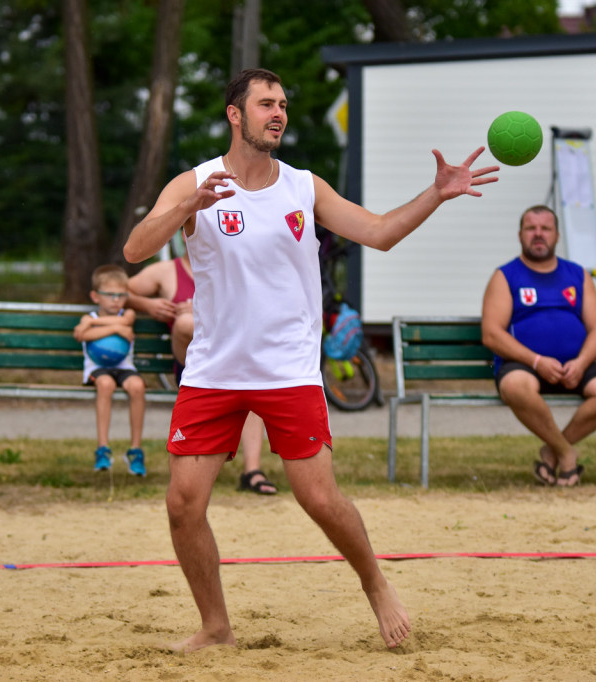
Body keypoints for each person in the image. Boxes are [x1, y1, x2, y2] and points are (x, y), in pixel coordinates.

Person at [122, 67, 498, 652]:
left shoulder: (303, 186)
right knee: (181, 505)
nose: (278, 113)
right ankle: (216, 627)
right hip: (214, 372)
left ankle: (375, 584)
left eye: (283, 104)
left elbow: (378, 232)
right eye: (266, 103)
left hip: (289, 370)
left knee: (319, 498)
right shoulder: (196, 182)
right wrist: (185, 208)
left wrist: (436, 194)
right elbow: (134, 250)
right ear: (235, 114)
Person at [481, 205, 596, 487]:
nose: (538, 235)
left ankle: (551, 451)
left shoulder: (577, 275)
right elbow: (491, 334)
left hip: (574, 365)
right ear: (520, 235)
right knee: (515, 386)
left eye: (545, 228)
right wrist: (537, 361)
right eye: (531, 228)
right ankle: (565, 452)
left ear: (557, 235)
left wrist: (582, 362)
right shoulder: (505, 276)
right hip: (525, 366)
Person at [127, 248, 278, 494]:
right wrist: (147, 304)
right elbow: (115, 288)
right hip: (192, 366)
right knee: (186, 323)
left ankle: (252, 471)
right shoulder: (167, 271)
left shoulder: (236, 265)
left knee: (250, 384)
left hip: (234, 361)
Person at [72, 264, 147, 476]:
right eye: (110, 295)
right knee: (106, 384)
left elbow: (125, 322)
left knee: (138, 386)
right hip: (98, 369)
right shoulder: (90, 318)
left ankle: (135, 450)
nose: (116, 300)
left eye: (121, 295)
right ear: (95, 297)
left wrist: (97, 326)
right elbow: (80, 335)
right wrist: (115, 328)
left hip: (124, 367)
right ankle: (103, 448)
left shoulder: (127, 314)